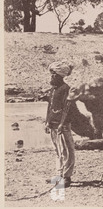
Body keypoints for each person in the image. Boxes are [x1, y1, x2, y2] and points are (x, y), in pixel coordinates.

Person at [44, 60, 75, 188]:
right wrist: (47, 122)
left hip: (63, 125)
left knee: (67, 150)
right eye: (51, 74)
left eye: (54, 75)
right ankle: (59, 175)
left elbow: (67, 109)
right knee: (57, 150)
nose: (52, 77)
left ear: (60, 76)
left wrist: (62, 124)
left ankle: (66, 177)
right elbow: (50, 107)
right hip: (53, 124)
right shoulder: (53, 90)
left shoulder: (66, 89)